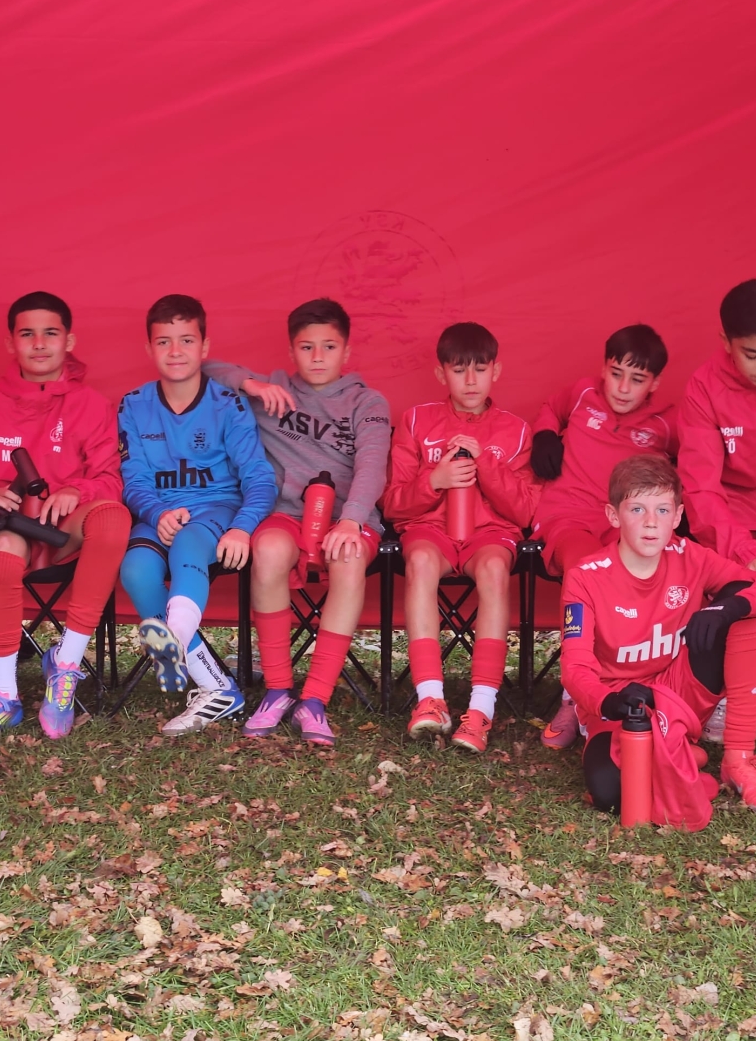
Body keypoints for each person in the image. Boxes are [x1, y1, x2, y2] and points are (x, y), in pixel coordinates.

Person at [561, 456, 756, 825]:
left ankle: (738, 760)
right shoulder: (585, 577)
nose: (651, 522)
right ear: (613, 516)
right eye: (637, 509)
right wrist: (609, 701)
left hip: (679, 692)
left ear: (677, 516)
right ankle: (680, 753)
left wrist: (727, 608)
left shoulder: (689, 556)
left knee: (747, 608)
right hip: (622, 703)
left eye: (662, 509)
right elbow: (575, 668)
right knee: (610, 793)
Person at [204, 297, 391, 747]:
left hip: (348, 518)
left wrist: (351, 520)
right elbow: (204, 369)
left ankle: (315, 699)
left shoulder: (367, 401)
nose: (318, 357)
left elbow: (372, 465)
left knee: (347, 559)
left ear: (346, 351)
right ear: (292, 351)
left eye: (329, 347)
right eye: (307, 347)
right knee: (267, 552)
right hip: (287, 514)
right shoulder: (273, 393)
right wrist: (251, 384)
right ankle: (278, 690)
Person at [118, 294, 276, 735]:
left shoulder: (229, 403)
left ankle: (173, 641)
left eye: (186, 340)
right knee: (135, 569)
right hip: (159, 513)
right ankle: (217, 687)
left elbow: (260, 479)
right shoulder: (134, 404)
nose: (175, 351)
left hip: (216, 510)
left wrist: (242, 528)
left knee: (187, 544)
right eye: (163, 342)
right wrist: (157, 512)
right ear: (149, 348)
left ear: (205, 347)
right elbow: (134, 480)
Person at [382, 321, 541, 754]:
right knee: (419, 562)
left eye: (480, 369)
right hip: (430, 529)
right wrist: (434, 480)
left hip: (489, 533)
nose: (470, 381)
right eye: (458, 370)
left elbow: (525, 511)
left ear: (496, 371)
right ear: (441, 374)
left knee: (494, 569)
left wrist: (486, 465)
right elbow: (393, 505)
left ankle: (481, 709)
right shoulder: (417, 420)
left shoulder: (515, 430)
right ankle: (431, 698)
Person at [530, 323, 677, 749]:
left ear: (655, 383)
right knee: (587, 571)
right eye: (616, 374)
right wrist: (544, 433)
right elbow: (550, 408)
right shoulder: (581, 393)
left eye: (637, 379)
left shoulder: (667, 423)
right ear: (604, 368)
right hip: (569, 516)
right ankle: (574, 697)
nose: (623, 388)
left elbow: (699, 457)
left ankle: (641, 694)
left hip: (626, 524)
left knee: (656, 569)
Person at [678, 278, 756, 748]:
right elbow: (701, 487)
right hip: (731, 509)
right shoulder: (704, 387)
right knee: (740, 591)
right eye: (753, 355)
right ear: (726, 342)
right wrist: (746, 551)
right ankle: (726, 699)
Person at [0, 291, 131, 738]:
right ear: (11, 342)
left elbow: (110, 478)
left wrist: (78, 490)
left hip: (63, 529)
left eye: (50, 333)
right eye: (27, 334)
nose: (39, 344)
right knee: (2, 553)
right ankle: (4, 691)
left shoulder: (92, 403)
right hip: (9, 527)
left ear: (69, 341)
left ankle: (66, 662)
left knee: (112, 518)